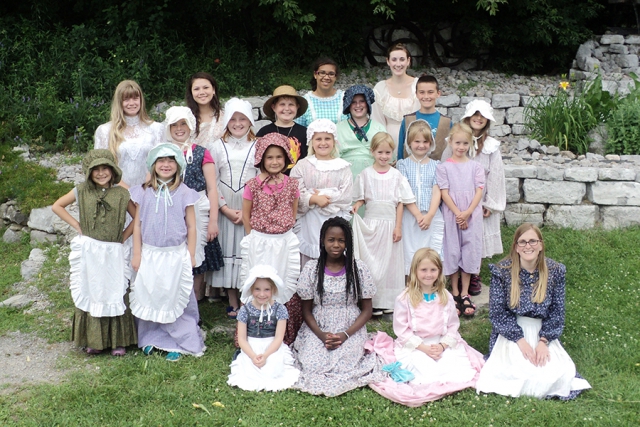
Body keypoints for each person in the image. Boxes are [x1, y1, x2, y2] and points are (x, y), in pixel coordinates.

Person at [475, 224, 591, 399]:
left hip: (541, 332)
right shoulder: (502, 271)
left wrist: (544, 341)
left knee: (553, 373)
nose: (527, 246)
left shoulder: (555, 271)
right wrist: (520, 341)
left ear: (541, 245)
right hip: (512, 332)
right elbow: (498, 313)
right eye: (522, 242)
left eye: (532, 241)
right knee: (518, 372)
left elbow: (557, 311)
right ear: (516, 247)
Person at [367, 248, 485, 406]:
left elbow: (452, 325)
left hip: (440, 342)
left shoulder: (445, 296)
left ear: (439, 271)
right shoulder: (405, 298)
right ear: (415, 271)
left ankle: (444, 361)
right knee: (426, 373)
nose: (428, 274)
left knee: (454, 368)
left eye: (433, 270)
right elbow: (402, 330)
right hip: (416, 345)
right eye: (423, 270)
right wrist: (424, 348)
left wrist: (442, 345)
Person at [52, 149, 137, 356]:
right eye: (95, 170)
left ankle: (118, 341)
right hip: (90, 250)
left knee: (114, 289)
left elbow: (138, 217)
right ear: (89, 172)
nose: (100, 173)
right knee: (93, 289)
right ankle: (95, 340)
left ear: (113, 170)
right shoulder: (80, 190)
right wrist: (77, 226)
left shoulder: (122, 194)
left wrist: (124, 237)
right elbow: (57, 206)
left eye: (105, 168)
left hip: (114, 251)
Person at [129, 144, 205, 361]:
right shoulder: (143, 192)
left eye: (171, 160)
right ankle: (151, 337)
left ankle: (179, 341)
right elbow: (137, 226)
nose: (166, 164)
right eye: (161, 161)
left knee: (175, 297)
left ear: (178, 165)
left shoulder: (185, 193)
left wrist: (190, 254)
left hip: (175, 254)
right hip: (151, 254)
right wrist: (137, 254)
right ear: (153, 165)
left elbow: (191, 226)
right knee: (151, 294)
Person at [292, 217, 384, 396]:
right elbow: (306, 310)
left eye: (341, 240)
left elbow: (367, 310)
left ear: (347, 243)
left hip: (349, 327)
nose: (336, 244)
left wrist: (345, 335)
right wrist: (321, 335)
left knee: (346, 364)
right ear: (323, 241)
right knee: (312, 364)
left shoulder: (358, 269)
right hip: (319, 326)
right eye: (331, 239)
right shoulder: (312, 269)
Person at [351, 132, 422, 316]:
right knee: (371, 262)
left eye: (388, 153)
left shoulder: (396, 176)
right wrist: (357, 206)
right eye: (380, 152)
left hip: (390, 225)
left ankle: (388, 301)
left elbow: (400, 203)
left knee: (390, 263)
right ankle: (372, 301)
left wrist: (398, 226)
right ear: (372, 152)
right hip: (372, 224)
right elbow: (362, 199)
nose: (384, 156)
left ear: (392, 153)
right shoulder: (365, 174)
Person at [441, 100, 506, 296]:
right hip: (456, 199)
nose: (478, 118)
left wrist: (490, 202)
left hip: (479, 199)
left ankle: (472, 273)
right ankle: (456, 274)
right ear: (468, 117)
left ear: (487, 120)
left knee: (476, 238)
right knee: (455, 239)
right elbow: (445, 165)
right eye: (475, 115)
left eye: (482, 116)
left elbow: (495, 174)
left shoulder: (491, 146)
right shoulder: (454, 142)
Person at [240, 132, 301, 343]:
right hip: (260, 241)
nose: (274, 162)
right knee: (260, 281)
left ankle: (283, 335)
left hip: (283, 241)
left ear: (286, 159)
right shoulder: (252, 185)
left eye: (279, 157)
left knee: (282, 281)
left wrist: (282, 230)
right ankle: (254, 332)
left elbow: (293, 211)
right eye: (269, 157)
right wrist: (254, 239)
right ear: (261, 159)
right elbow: (246, 215)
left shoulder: (292, 184)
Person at [163, 106, 223, 301]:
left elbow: (212, 188)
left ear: (190, 126)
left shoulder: (201, 153)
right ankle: (173, 298)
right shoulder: (163, 153)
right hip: (170, 209)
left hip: (197, 209)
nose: (179, 129)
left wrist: (213, 220)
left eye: (183, 124)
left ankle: (194, 300)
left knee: (196, 254)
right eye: (175, 125)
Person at [207, 98, 259, 317]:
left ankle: (248, 297)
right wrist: (224, 208)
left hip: (249, 204)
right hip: (225, 206)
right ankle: (231, 299)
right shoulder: (217, 146)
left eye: (243, 119)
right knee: (228, 248)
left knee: (246, 251)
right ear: (227, 121)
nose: (238, 123)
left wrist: (249, 208)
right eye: (233, 119)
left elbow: (260, 176)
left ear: (250, 121)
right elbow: (213, 180)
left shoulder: (258, 145)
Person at [436, 123, 485, 317]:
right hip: (452, 212)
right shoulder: (444, 167)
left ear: (470, 144)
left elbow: (479, 190)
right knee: (453, 249)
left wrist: (467, 212)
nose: (461, 147)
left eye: (465, 143)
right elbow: (444, 192)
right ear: (450, 142)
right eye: (457, 143)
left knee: (469, 250)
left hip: (471, 213)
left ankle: (465, 293)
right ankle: (454, 292)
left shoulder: (476, 167)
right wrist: (458, 213)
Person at [290, 119, 353, 267]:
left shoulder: (343, 167)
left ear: (334, 141)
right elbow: (295, 192)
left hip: (334, 218)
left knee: (333, 251)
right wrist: (313, 199)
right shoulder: (303, 165)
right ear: (311, 141)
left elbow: (346, 195)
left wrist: (325, 196)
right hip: (310, 221)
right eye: (318, 139)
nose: (323, 143)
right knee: (311, 255)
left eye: (327, 139)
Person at [227, 265, 300, 391]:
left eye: (267, 289)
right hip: (251, 347)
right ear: (251, 289)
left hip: (272, 347)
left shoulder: (280, 309)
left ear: (274, 290)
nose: (262, 294)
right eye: (257, 289)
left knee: (273, 369)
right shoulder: (245, 310)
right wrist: (253, 355)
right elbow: (242, 339)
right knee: (250, 370)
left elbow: (278, 338)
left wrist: (265, 355)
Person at [94, 80, 163, 189]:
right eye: (126, 99)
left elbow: (161, 162)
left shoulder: (156, 128)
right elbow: (101, 167)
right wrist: (127, 191)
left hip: (149, 190)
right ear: (119, 102)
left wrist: (145, 188)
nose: (131, 103)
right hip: (117, 191)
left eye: (135, 98)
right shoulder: (105, 131)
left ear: (141, 100)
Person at [396, 120, 445, 276]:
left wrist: (430, 215)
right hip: (411, 216)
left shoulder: (436, 165)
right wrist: (417, 215)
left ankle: (431, 285)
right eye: (417, 141)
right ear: (409, 142)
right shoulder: (402, 165)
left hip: (431, 215)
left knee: (431, 251)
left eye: (425, 141)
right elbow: (404, 191)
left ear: (430, 143)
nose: (421, 145)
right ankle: (411, 287)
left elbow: (437, 190)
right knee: (411, 251)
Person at [371, 43, 421, 152]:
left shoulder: (417, 85)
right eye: (394, 59)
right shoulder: (380, 88)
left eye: (402, 59)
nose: (398, 64)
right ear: (388, 61)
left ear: (408, 61)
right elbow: (377, 121)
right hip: (387, 144)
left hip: (415, 141)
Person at [337, 84, 386, 180]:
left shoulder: (379, 128)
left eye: (362, 101)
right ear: (348, 105)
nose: (358, 105)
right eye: (353, 102)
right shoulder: (337, 129)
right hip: (345, 179)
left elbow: (388, 156)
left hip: (373, 178)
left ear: (367, 103)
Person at [397, 74, 452, 161]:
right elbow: (400, 152)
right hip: (410, 171)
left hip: (440, 172)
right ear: (416, 94)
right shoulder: (408, 120)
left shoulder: (447, 122)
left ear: (438, 93)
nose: (426, 96)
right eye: (422, 92)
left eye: (430, 92)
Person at [257, 85, 309, 172]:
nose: (287, 108)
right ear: (274, 107)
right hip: (271, 181)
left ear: (297, 107)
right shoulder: (264, 132)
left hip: (298, 180)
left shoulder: (305, 132)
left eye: (291, 104)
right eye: (282, 104)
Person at [295, 57, 348, 127]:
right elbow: (297, 129)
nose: (326, 77)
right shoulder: (305, 101)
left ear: (336, 76)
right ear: (315, 74)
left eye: (331, 74)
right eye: (322, 73)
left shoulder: (345, 98)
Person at [186, 72, 225, 151]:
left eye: (206, 87)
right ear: (191, 92)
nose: (202, 92)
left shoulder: (225, 117)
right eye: (196, 89)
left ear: (213, 90)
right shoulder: (185, 118)